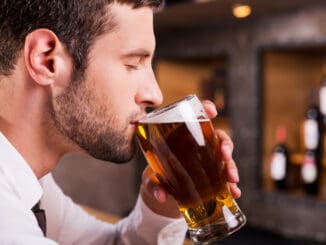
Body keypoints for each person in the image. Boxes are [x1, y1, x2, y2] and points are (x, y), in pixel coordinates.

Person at [0, 0, 241, 244]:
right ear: (46, 59)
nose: (155, 94)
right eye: (133, 64)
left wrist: (161, 208)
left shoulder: (31, 184)